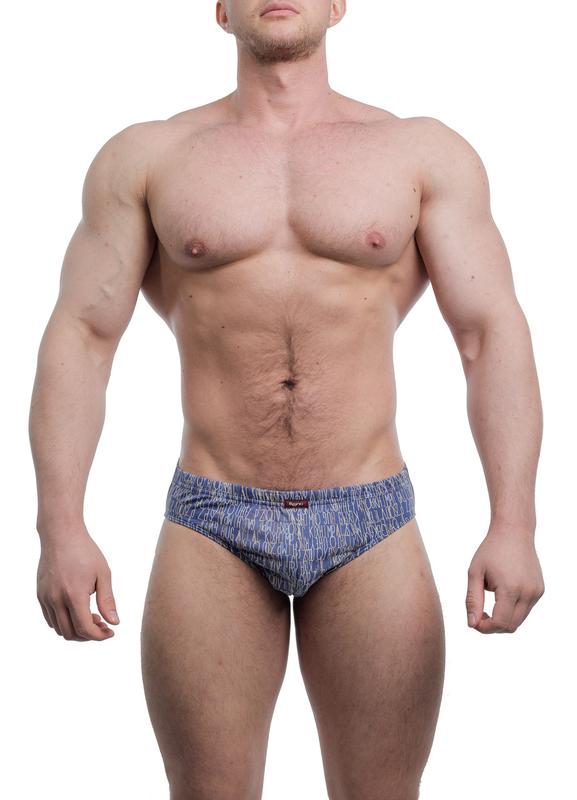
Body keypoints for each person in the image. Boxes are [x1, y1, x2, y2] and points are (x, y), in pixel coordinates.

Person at [29, 2, 545, 798]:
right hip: (213, 517)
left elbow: (488, 335)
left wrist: (514, 523)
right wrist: (60, 527)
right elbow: (83, 338)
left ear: (339, 5)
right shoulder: (148, 156)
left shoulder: (420, 152)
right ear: (220, 10)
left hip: (370, 513)